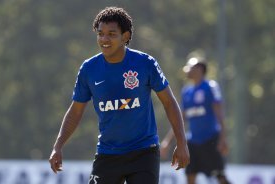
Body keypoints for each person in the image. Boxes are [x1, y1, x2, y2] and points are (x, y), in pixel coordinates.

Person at [49, 6, 190, 184]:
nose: (104, 39)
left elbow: (169, 103)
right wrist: (58, 146)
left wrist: (182, 143)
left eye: (111, 34)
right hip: (108, 154)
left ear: (126, 36)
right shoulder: (89, 69)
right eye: (100, 33)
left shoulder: (145, 64)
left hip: (144, 152)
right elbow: (75, 111)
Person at [160, 56, 231, 184]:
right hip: (193, 143)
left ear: (199, 69)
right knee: (190, 176)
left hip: (210, 141)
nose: (186, 70)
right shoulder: (187, 91)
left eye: (189, 67)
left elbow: (220, 114)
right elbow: (180, 119)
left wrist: (223, 138)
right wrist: (167, 141)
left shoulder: (211, 87)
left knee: (220, 177)